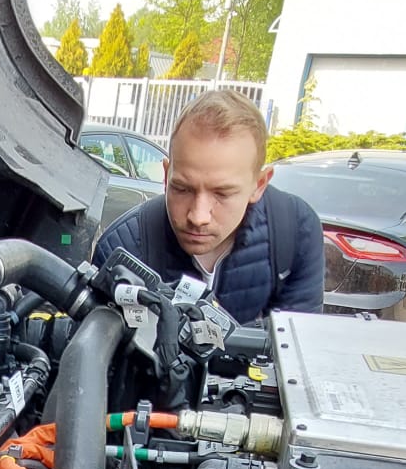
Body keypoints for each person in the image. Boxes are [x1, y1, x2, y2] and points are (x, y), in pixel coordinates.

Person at [94, 90, 323, 318]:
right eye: (182, 189)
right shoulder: (121, 250)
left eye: (222, 193)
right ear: (166, 176)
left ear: (259, 185)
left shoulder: (296, 232)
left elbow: (298, 338)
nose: (198, 216)